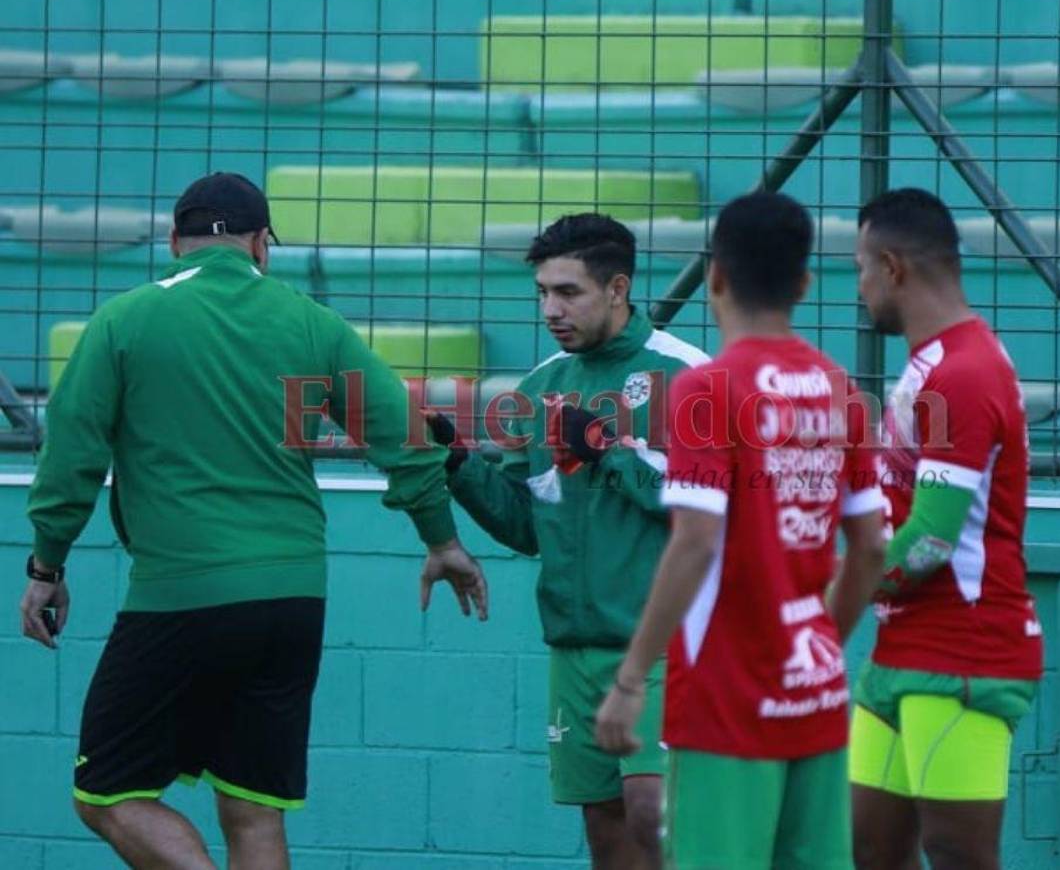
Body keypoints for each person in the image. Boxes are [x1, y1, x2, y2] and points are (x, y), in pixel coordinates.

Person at [19, 172, 487, 870]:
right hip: (293, 600)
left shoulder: (123, 320)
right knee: (252, 811)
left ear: (176, 243)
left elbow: (70, 463)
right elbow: (406, 438)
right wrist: (441, 540)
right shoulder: (313, 323)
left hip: (181, 595)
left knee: (106, 794)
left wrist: (46, 566)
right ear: (261, 246)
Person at [595, 191, 888, 870]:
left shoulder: (707, 390)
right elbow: (872, 546)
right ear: (806, 284)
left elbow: (694, 540)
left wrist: (633, 677)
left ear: (715, 277)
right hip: (814, 695)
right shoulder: (840, 388)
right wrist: (814, 642)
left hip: (726, 702)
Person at [428, 213, 708, 869]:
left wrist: (608, 451)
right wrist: (457, 464)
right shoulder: (541, 387)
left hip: (666, 647)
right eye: (543, 293)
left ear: (618, 288)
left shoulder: (691, 379)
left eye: (568, 292)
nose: (551, 309)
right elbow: (528, 525)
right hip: (572, 653)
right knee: (608, 838)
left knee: (655, 814)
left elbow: (715, 522)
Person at [848, 188, 1043, 870]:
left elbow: (931, 539)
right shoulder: (936, 364)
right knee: (867, 851)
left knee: (957, 854)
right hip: (901, 646)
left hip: (964, 648)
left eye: (862, 269)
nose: (860, 287)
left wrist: (827, 606)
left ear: (893, 267)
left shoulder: (964, 371)